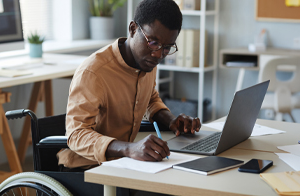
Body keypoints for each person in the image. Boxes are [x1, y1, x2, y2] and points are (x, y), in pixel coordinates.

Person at [57, 0, 201, 169]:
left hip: (123, 164)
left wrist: (172, 121)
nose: (158, 55)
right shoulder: (93, 72)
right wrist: (129, 148)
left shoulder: (146, 61)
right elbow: (76, 135)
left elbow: (150, 99)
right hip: (86, 169)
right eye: (153, 42)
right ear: (133, 29)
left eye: (167, 48)